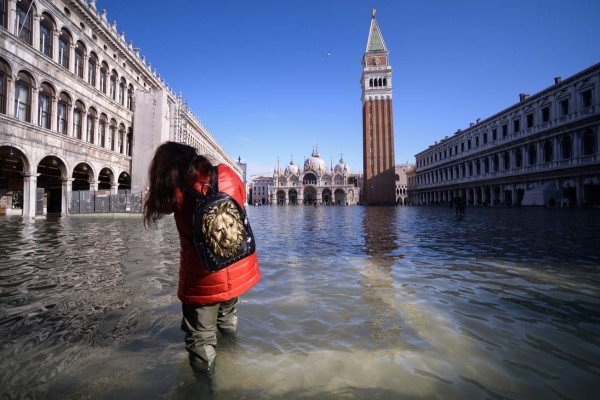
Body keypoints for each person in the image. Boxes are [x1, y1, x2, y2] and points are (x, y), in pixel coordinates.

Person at [142, 141, 260, 380]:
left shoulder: (174, 191)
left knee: (201, 339)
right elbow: (241, 200)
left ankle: (204, 390)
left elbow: (160, 208)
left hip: (202, 277)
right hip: (236, 265)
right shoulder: (227, 174)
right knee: (228, 319)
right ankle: (233, 369)